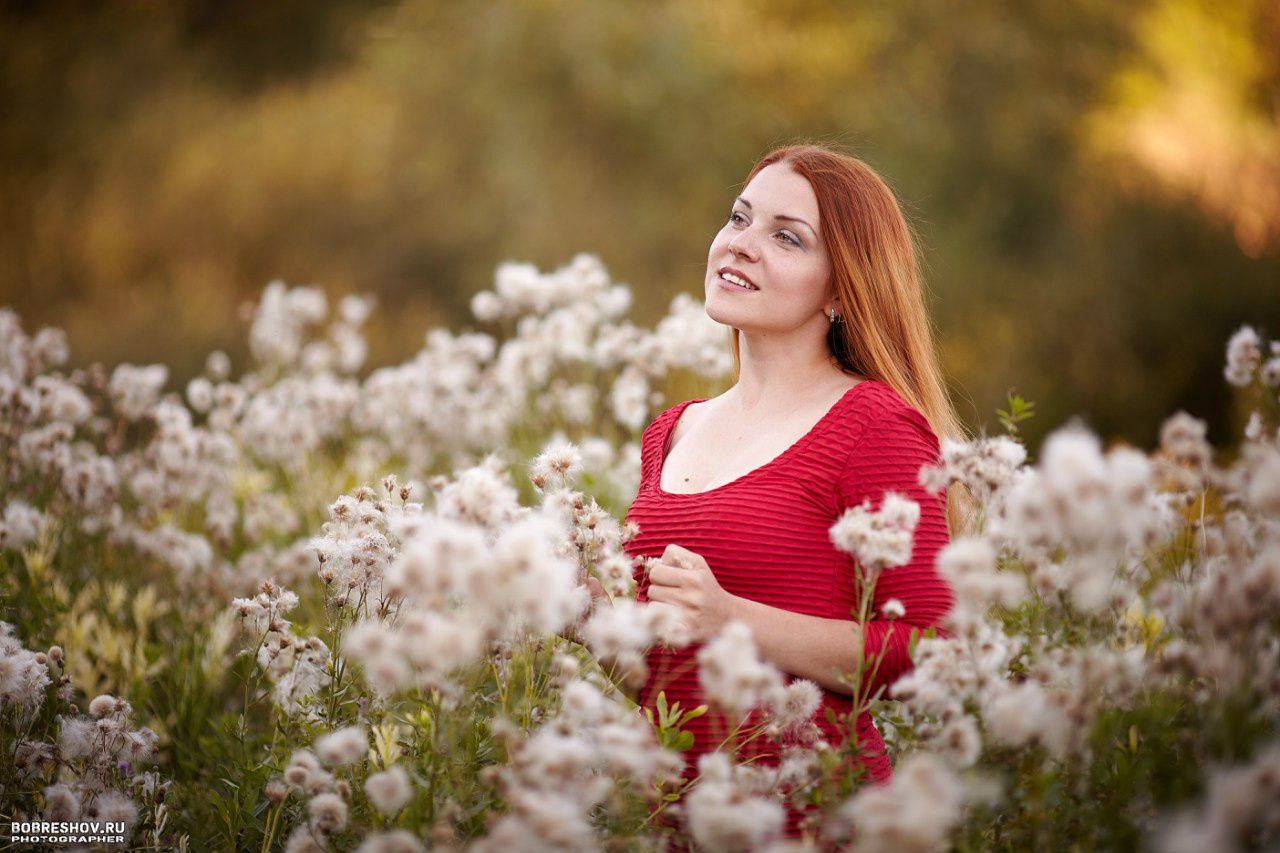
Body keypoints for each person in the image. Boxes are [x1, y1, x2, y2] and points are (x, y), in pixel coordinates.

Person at [621, 143, 964, 838]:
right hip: (679, 827)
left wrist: (732, 617)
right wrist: (588, 617)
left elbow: (932, 647)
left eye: (786, 236)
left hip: (819, 824)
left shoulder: (874, 425)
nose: (741, 245)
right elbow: (663, 679)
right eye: (739, 217)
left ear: (842, 289)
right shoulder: (669, 431)